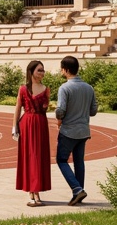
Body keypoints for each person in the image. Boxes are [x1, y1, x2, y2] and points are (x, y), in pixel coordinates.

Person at [55, 55, 99, 206]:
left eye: (61, 69)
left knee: (61, 160)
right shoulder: (89, 88)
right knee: (79, 161)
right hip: (84, 130)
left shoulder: (65, 88)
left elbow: (60, 110)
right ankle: (79, 191)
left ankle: (77, 189)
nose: (61, 71)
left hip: (68, 130)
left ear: (66, 70)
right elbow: (93, 110)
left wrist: (59, 119)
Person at [12, 60, 51, 206]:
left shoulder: (46, 89)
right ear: (31, 71)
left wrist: (47, 106)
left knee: (39, 157)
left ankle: (37, 191)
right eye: (39, 70)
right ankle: (31, 191)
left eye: (43, 70)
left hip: (41, 123)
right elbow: (18, 107)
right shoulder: (23, 89)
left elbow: (45, 108)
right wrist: (14, 126)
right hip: (27, 124)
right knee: (30, 157)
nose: (42, 73)